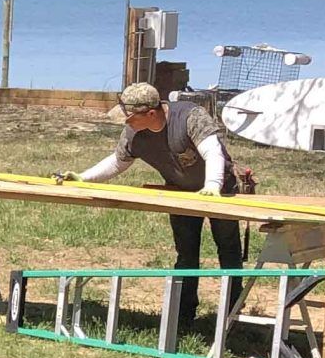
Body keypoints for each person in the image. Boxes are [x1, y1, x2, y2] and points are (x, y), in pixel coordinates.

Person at [63, 82, 244, 336]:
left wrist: (213, 187)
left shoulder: (190, 117)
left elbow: (214, 152)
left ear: (150, 113)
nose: (126, 123)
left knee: (229, 252)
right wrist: (83, 178)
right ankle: (183, 316)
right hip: (180, 192)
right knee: (186, 254)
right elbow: (117, 162)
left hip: (221, 191)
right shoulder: (133, 133)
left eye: (130, 117)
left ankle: (231, 316)